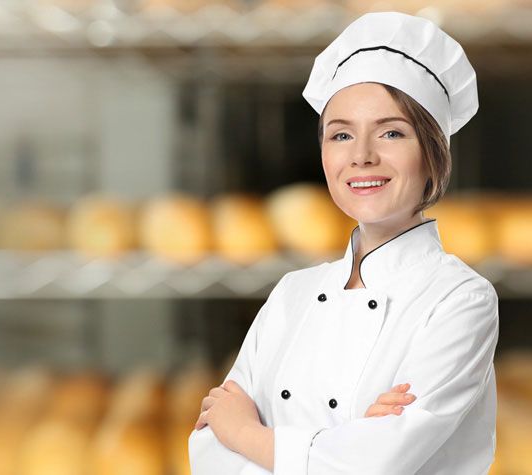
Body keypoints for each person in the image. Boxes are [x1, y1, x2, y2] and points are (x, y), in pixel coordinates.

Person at [186, 11, 497, 475]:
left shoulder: (459, 299)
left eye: (392, 132)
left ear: (434, 156)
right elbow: (210, 449)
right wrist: (343, 442)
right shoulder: (292, 292)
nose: (362, 156)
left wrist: (247, 433)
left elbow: (370, 466)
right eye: (341, 135)